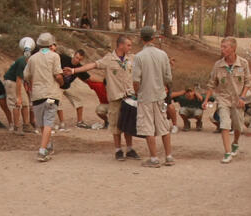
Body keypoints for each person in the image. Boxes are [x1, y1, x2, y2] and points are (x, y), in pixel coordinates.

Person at [67, 35, 139, 161]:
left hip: (129, 96)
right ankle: (118, 150)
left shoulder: (132, 58)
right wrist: (74, 71)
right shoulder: (109, 59)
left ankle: (130, 149)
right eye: (128, 45)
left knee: (128, 124)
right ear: (121, 45)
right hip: (116, 97)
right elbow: (92, 65)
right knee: (115, 125)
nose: (130, 47)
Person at [205, 37, 251, 164]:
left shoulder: (243, 63)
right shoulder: (218, 65)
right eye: (222, 46)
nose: (222, 49)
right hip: (223, 99)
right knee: (224, 125)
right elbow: (211, 84)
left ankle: (235, 143)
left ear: (233, 48)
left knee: (238, 126)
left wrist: (242, 97)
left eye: (225, 47)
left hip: (238, 100)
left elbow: (248, 82)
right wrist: (206, 100)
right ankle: (227, 152)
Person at [133, 27, 174, 168]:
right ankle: (169, 156)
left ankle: (154, 158)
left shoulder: (139, 57)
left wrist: (137, 92)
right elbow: (168, 77)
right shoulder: (163, 55)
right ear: (153, 38)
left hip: (145, 96)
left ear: (142, 38)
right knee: (164, 126)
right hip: (160, 95)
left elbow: (136, 80)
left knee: (148, 127)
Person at [25, 33, 64, 163]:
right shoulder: (54, 56)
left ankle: (47, 145)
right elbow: (58, 75)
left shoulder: (32, 58)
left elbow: (26, 75)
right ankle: (42, 150)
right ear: (51, 43)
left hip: (37, 96)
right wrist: (62, 82)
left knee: (42, 122)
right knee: (49, 121)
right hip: (51, 95)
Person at [3, 37, 37, 135]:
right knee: (17, 103)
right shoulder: (22, 61)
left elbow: (29, 77)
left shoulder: (29, 62)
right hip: (11, 81)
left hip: (17, 81)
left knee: (25, 102)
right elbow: (18, 80)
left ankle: (26, 124)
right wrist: (18, 97)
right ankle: (16, 126)